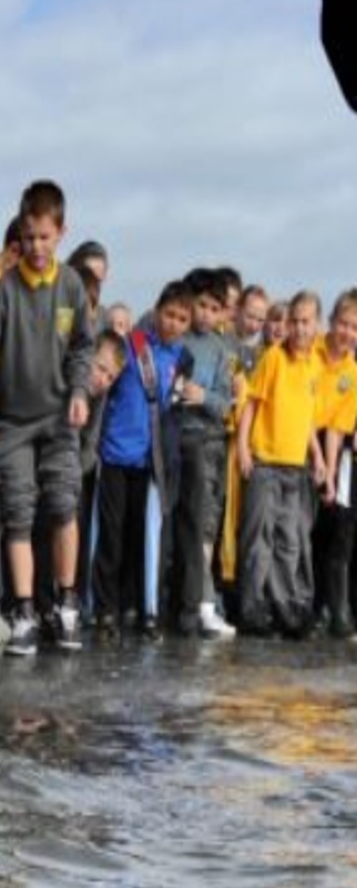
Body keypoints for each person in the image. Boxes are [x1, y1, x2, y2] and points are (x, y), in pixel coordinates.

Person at [0, 180, 93, 656]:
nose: (36, 247)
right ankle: (22, 610)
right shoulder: (2, 292)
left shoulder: (72, 286)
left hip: (60, 416)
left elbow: (82, 346)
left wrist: (80, 391)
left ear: (61, 231)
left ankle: (65, 603)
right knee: (18, 509)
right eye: (28, 237)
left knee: (64, 502)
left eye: (45, 236)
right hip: (12, 424)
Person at [92, 283, 191, 639]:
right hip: (115, 456)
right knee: (110, 538)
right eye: (170, 314)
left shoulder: (181, 359)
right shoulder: (132, 346)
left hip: (149, 465)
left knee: (140, 539)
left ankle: (134, 607)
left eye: (182, 318)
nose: (174, 324)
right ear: (157, 309)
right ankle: (103, 610)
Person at [236, 290, 324, 636]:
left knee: (289, 539)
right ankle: (251, 607)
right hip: (266, 462)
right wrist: (244, 447)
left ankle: (286, 606)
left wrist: (317, 458)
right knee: (259, 537)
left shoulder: (313, 365)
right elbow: (252, 405)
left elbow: (307, 421)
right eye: (294, 322)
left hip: (295, 467)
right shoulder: (274, 357)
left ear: (316, 324)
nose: (299, 329)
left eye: (306, 322)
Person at [174, 270, 238, 639]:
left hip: (208, 443)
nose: (205, 314)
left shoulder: (220, 349)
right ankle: (183, 606)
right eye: (201, 305)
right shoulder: (177, 335)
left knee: (203, 525)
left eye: (215, 308)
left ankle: (200, 605)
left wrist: (203, 397)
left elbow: (224, 402)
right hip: (175, 438)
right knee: (178, 526)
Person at [310, 290, 357, 636]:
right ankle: (310, 607)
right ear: (331, 322)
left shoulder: (352, 371)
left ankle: (337, 613)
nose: (347, 333)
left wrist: (327, 473)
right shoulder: (311, 351)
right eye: (343, 323)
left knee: (339, 530)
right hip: (299, 442)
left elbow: (339, 430)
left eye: (355, 328)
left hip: (333, 449)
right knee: (306, 532)